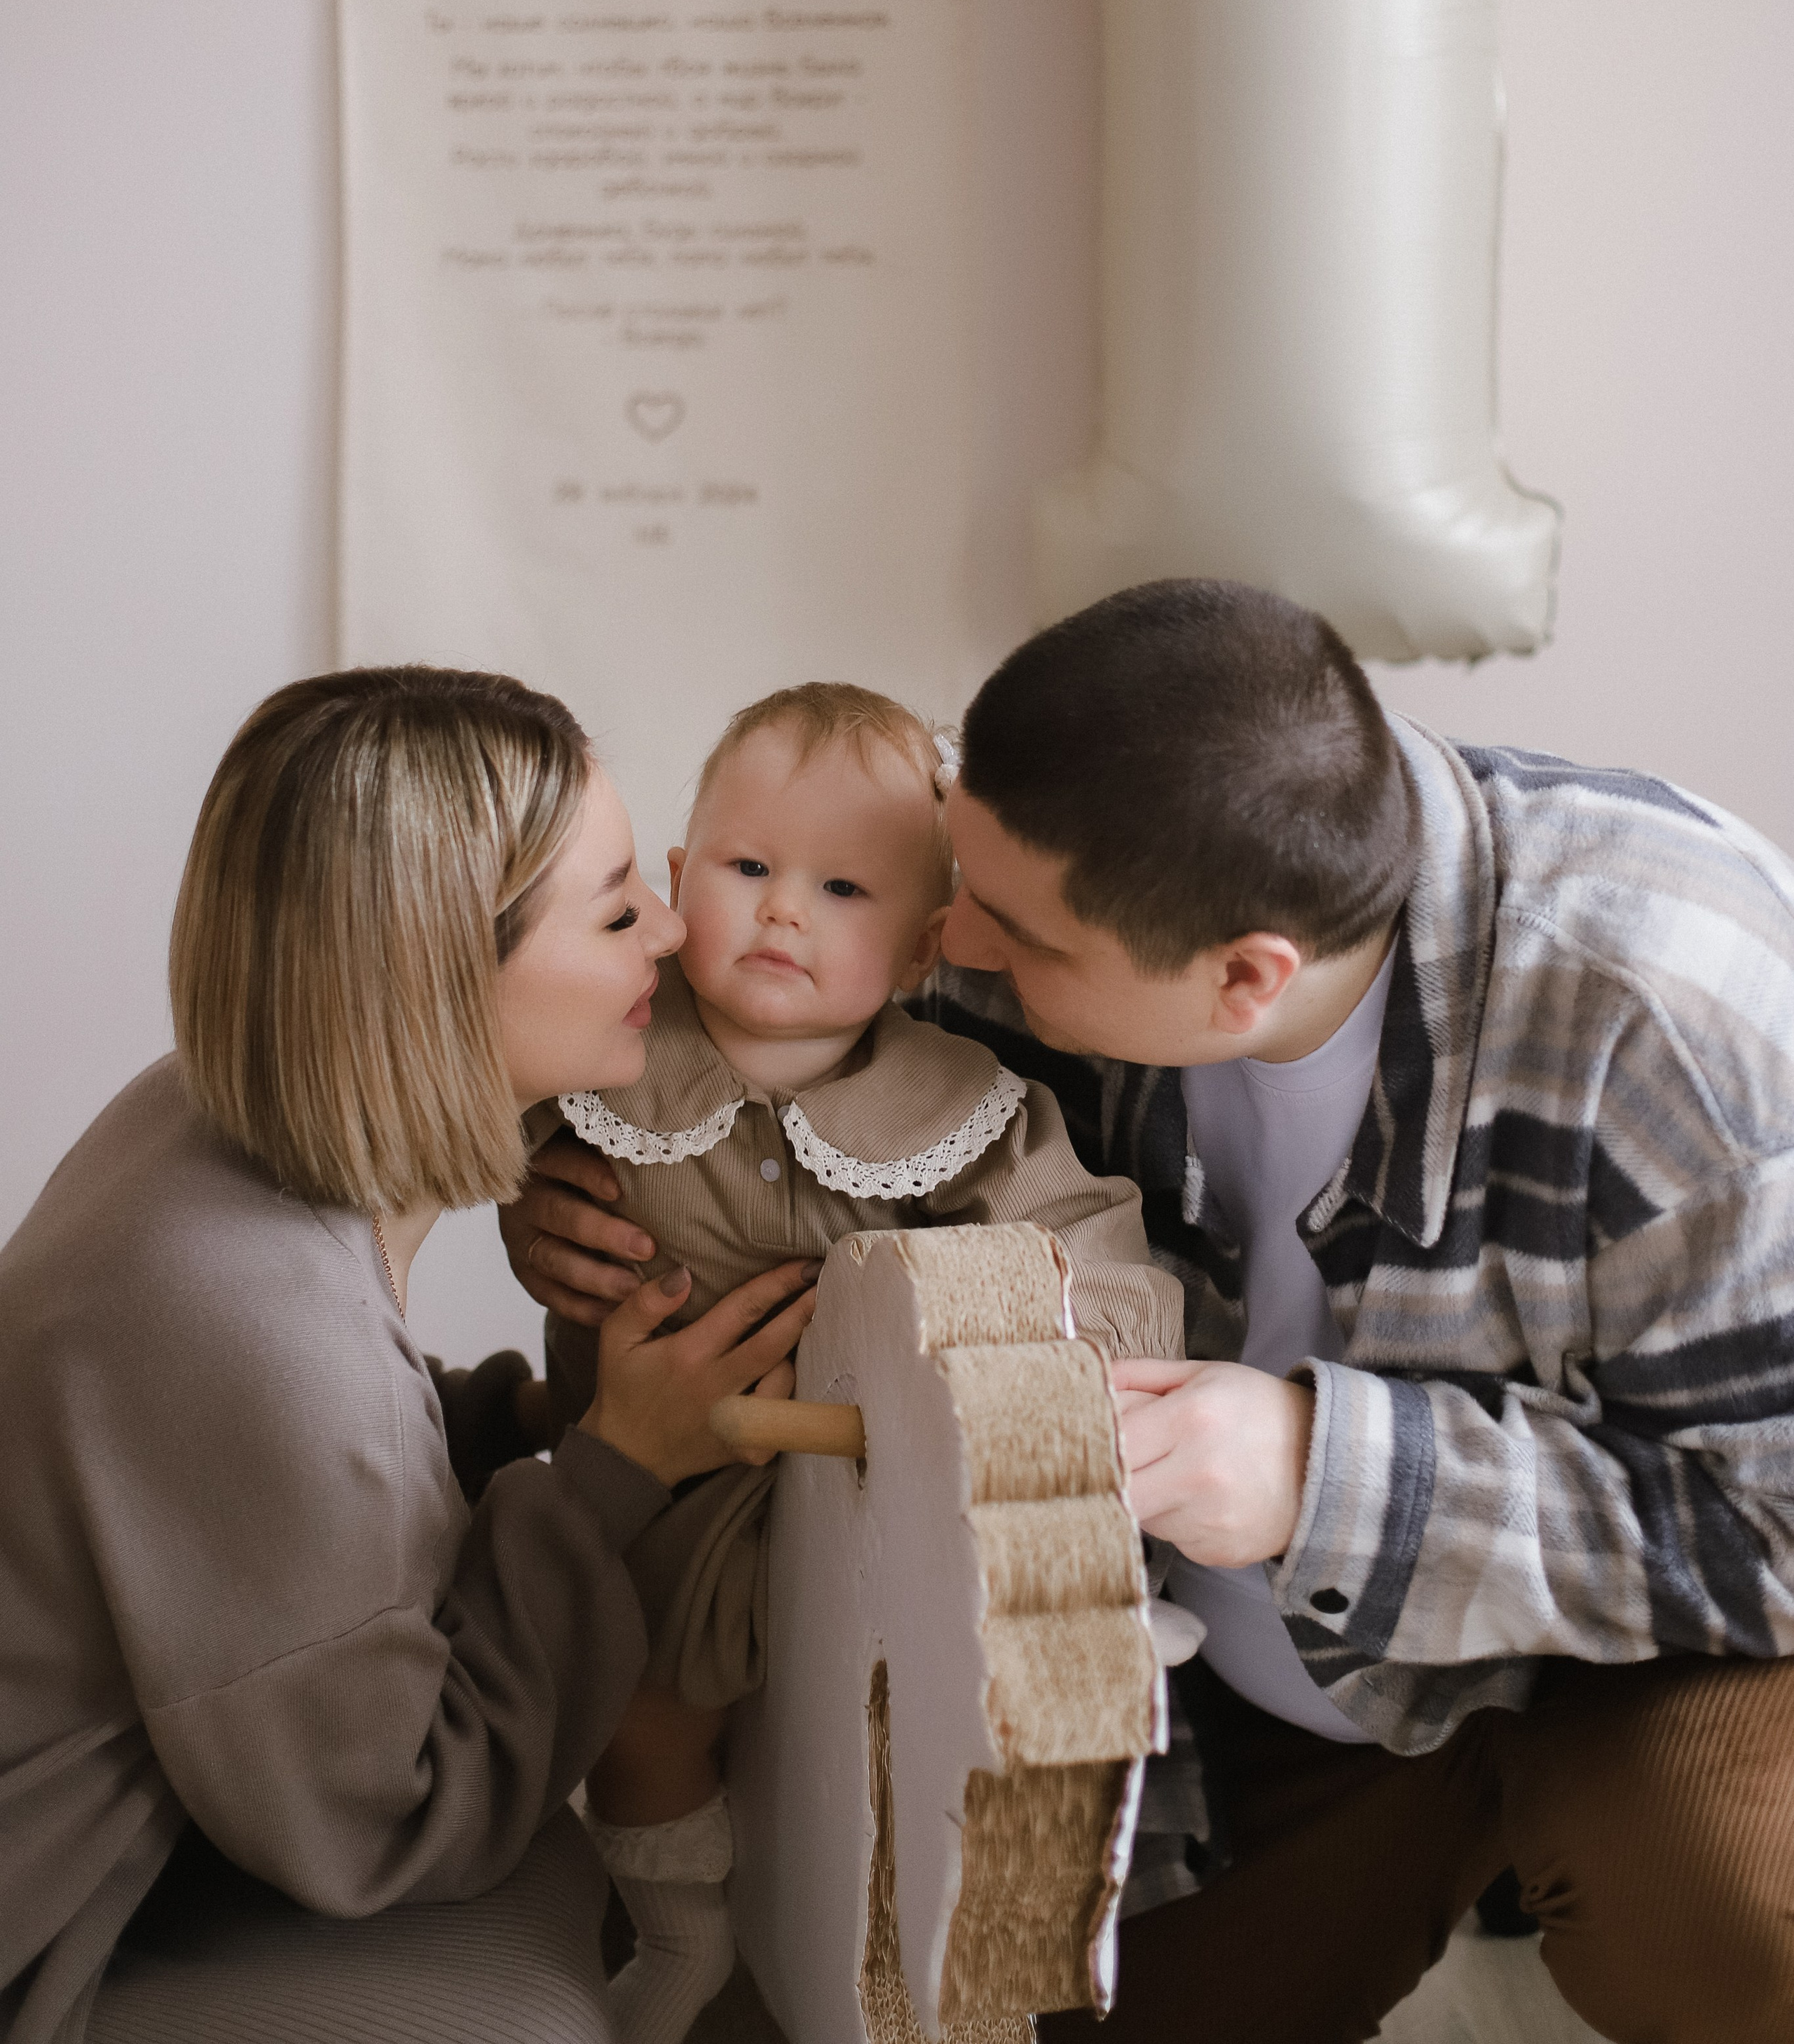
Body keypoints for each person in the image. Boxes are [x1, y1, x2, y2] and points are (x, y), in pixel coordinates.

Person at [507, 582, 1794, 2044]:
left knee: (1720, 1916)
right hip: (1259, 1671)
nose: (953, 944)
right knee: (1025, 1989)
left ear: (1243, 978)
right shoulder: (1070, 839)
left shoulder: (1677, 1032)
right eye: (953, 882)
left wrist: (1323, 1471)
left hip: (1624, 1659)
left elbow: (1773, 1524)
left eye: (1013, 934)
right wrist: (578, 1192)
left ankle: (1567, 1849)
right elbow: (790, 1065)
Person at [0, 665, 820, 2044]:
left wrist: (534, 1416)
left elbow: (265, 1510)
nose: (675, 930)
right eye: (616, 909)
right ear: (438, 982)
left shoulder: (199, 1113)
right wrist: (608, 1476)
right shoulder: (257, 1324)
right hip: (53, 1919)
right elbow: (397, 1819)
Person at [530, 680, 1180, 2044]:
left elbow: (1093, 1243)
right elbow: (474, 1122)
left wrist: (1068, 1352)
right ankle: (677, 1929)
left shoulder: (962, 1103)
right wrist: (525, 1209)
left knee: (872, 1733)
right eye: (747, 869)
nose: (782, 912)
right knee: (642, 1713)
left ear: (926, 945)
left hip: (862, 1488)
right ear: (676, 880)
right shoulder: (612, 1043)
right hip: (661, 1483)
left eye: (840, 890)